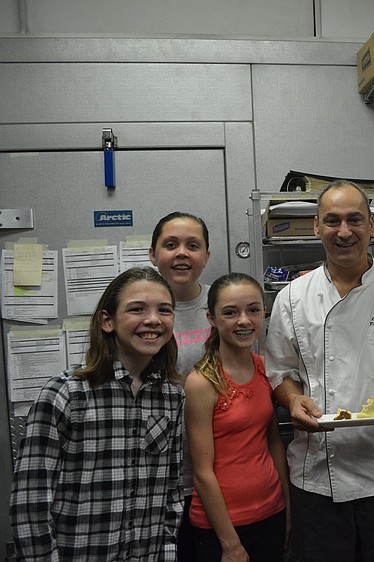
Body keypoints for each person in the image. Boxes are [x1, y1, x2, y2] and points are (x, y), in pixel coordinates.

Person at [264, 180, 374, 562]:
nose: (344, 231)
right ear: (317, 227)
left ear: (372, 226)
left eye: (355, 219)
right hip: (316, 474)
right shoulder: (292, 298)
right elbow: (280, 371)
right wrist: (293, 399)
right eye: (332, 221)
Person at [11, 267, 184, 561]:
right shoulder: (63, 395)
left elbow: (172, 491)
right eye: (137, 309)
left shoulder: (172, 397)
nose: (153, 319)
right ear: (107, 321)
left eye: (164, 310)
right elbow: (31, 507)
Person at [184, 273, 289, 562]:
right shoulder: (202, 382)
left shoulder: (265, 369)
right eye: (230, 312)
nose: (244, 320)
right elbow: (202, 472)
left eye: (253, 310)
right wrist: (230, 544)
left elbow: (274, 443)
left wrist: (288, 511)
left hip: (271, 512)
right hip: (223, 526)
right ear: (211, 318)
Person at [149, 211, 211, 561]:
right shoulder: (139, 310)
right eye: (170, 245)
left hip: (215, 475)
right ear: (153, 254)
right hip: (156, 478)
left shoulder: (224, 308)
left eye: (193, 245)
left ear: (207, 255)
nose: (182, 253)